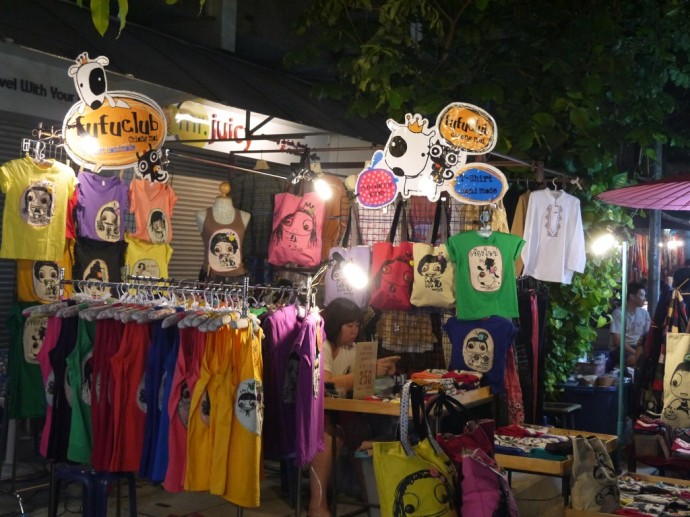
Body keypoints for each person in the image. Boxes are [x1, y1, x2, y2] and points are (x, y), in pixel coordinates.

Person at [309, 298, 400, 517]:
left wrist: (379, 371)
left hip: (341, 410)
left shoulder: (351, 348)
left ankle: (374, 501)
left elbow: (357, 381)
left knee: (364, 434)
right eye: (349, 325)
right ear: (335, 324)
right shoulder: (323, 345)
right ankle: (317, 505)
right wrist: (369, 370)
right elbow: (327, 382)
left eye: (357, 325)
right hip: (314, 412)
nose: (355, 330)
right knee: (330, 435)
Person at [610, 282, 651, 368]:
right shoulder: (618, 313)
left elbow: (648, 334)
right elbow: (617, 341)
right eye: (642, 295)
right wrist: (636, 352)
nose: (644, 298)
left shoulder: (644, 313)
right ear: (632, 296)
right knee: (636, 360)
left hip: (638, 347)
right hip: (619, 349)